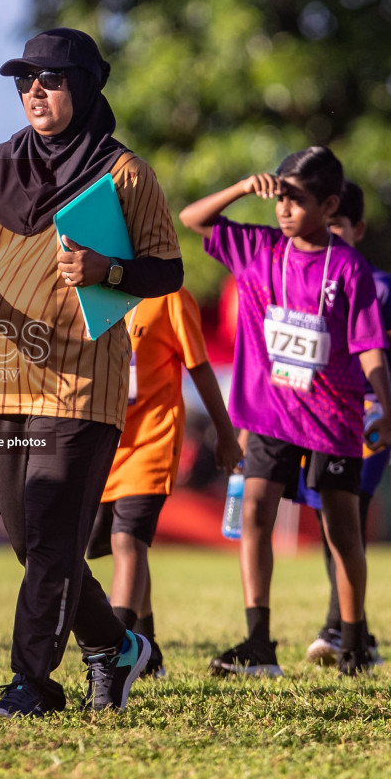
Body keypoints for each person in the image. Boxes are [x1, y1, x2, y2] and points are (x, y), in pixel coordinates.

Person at [0, 28, 183, 716]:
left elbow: (167, 269)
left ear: (82, 86)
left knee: (53, 531)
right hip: (3, 379)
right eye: (24, 82)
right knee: (27, 537)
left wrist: (109, 271)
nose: (34, 93)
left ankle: (33, 682)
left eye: (48, 80)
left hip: (83, 384)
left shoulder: (124, 173)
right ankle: (116, 645)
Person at [180, 146, 391, 677]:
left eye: (297, 200)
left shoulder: (348, 267)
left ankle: (351, 640)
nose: (283, 208)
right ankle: (258, 644)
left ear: (329, 205)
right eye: (280, 196)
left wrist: (387, 405)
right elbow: (192, 218)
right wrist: (239, 189)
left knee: (343, 530)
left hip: (333, 416)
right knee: (254, 514)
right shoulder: (255, 248)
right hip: (269, 413)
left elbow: (370, 344)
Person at [295, 181, 391, 666]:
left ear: (356, 228)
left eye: (335, 228)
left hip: (369, 419)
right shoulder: (303, 279)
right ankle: (359, 633)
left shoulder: (379, 286)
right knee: (329, 523)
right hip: (316, 419)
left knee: (347, 519)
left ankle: (339, 630)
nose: (327, 237)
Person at [86, 289, 241, 679]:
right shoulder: (88, 293)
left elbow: (200, 366)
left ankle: (115, 653)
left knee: (128, 541)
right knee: (120, 546)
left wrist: (225, 433)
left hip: (153, 442)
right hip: (106, 444)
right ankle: (147, 650)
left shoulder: (169, 296)